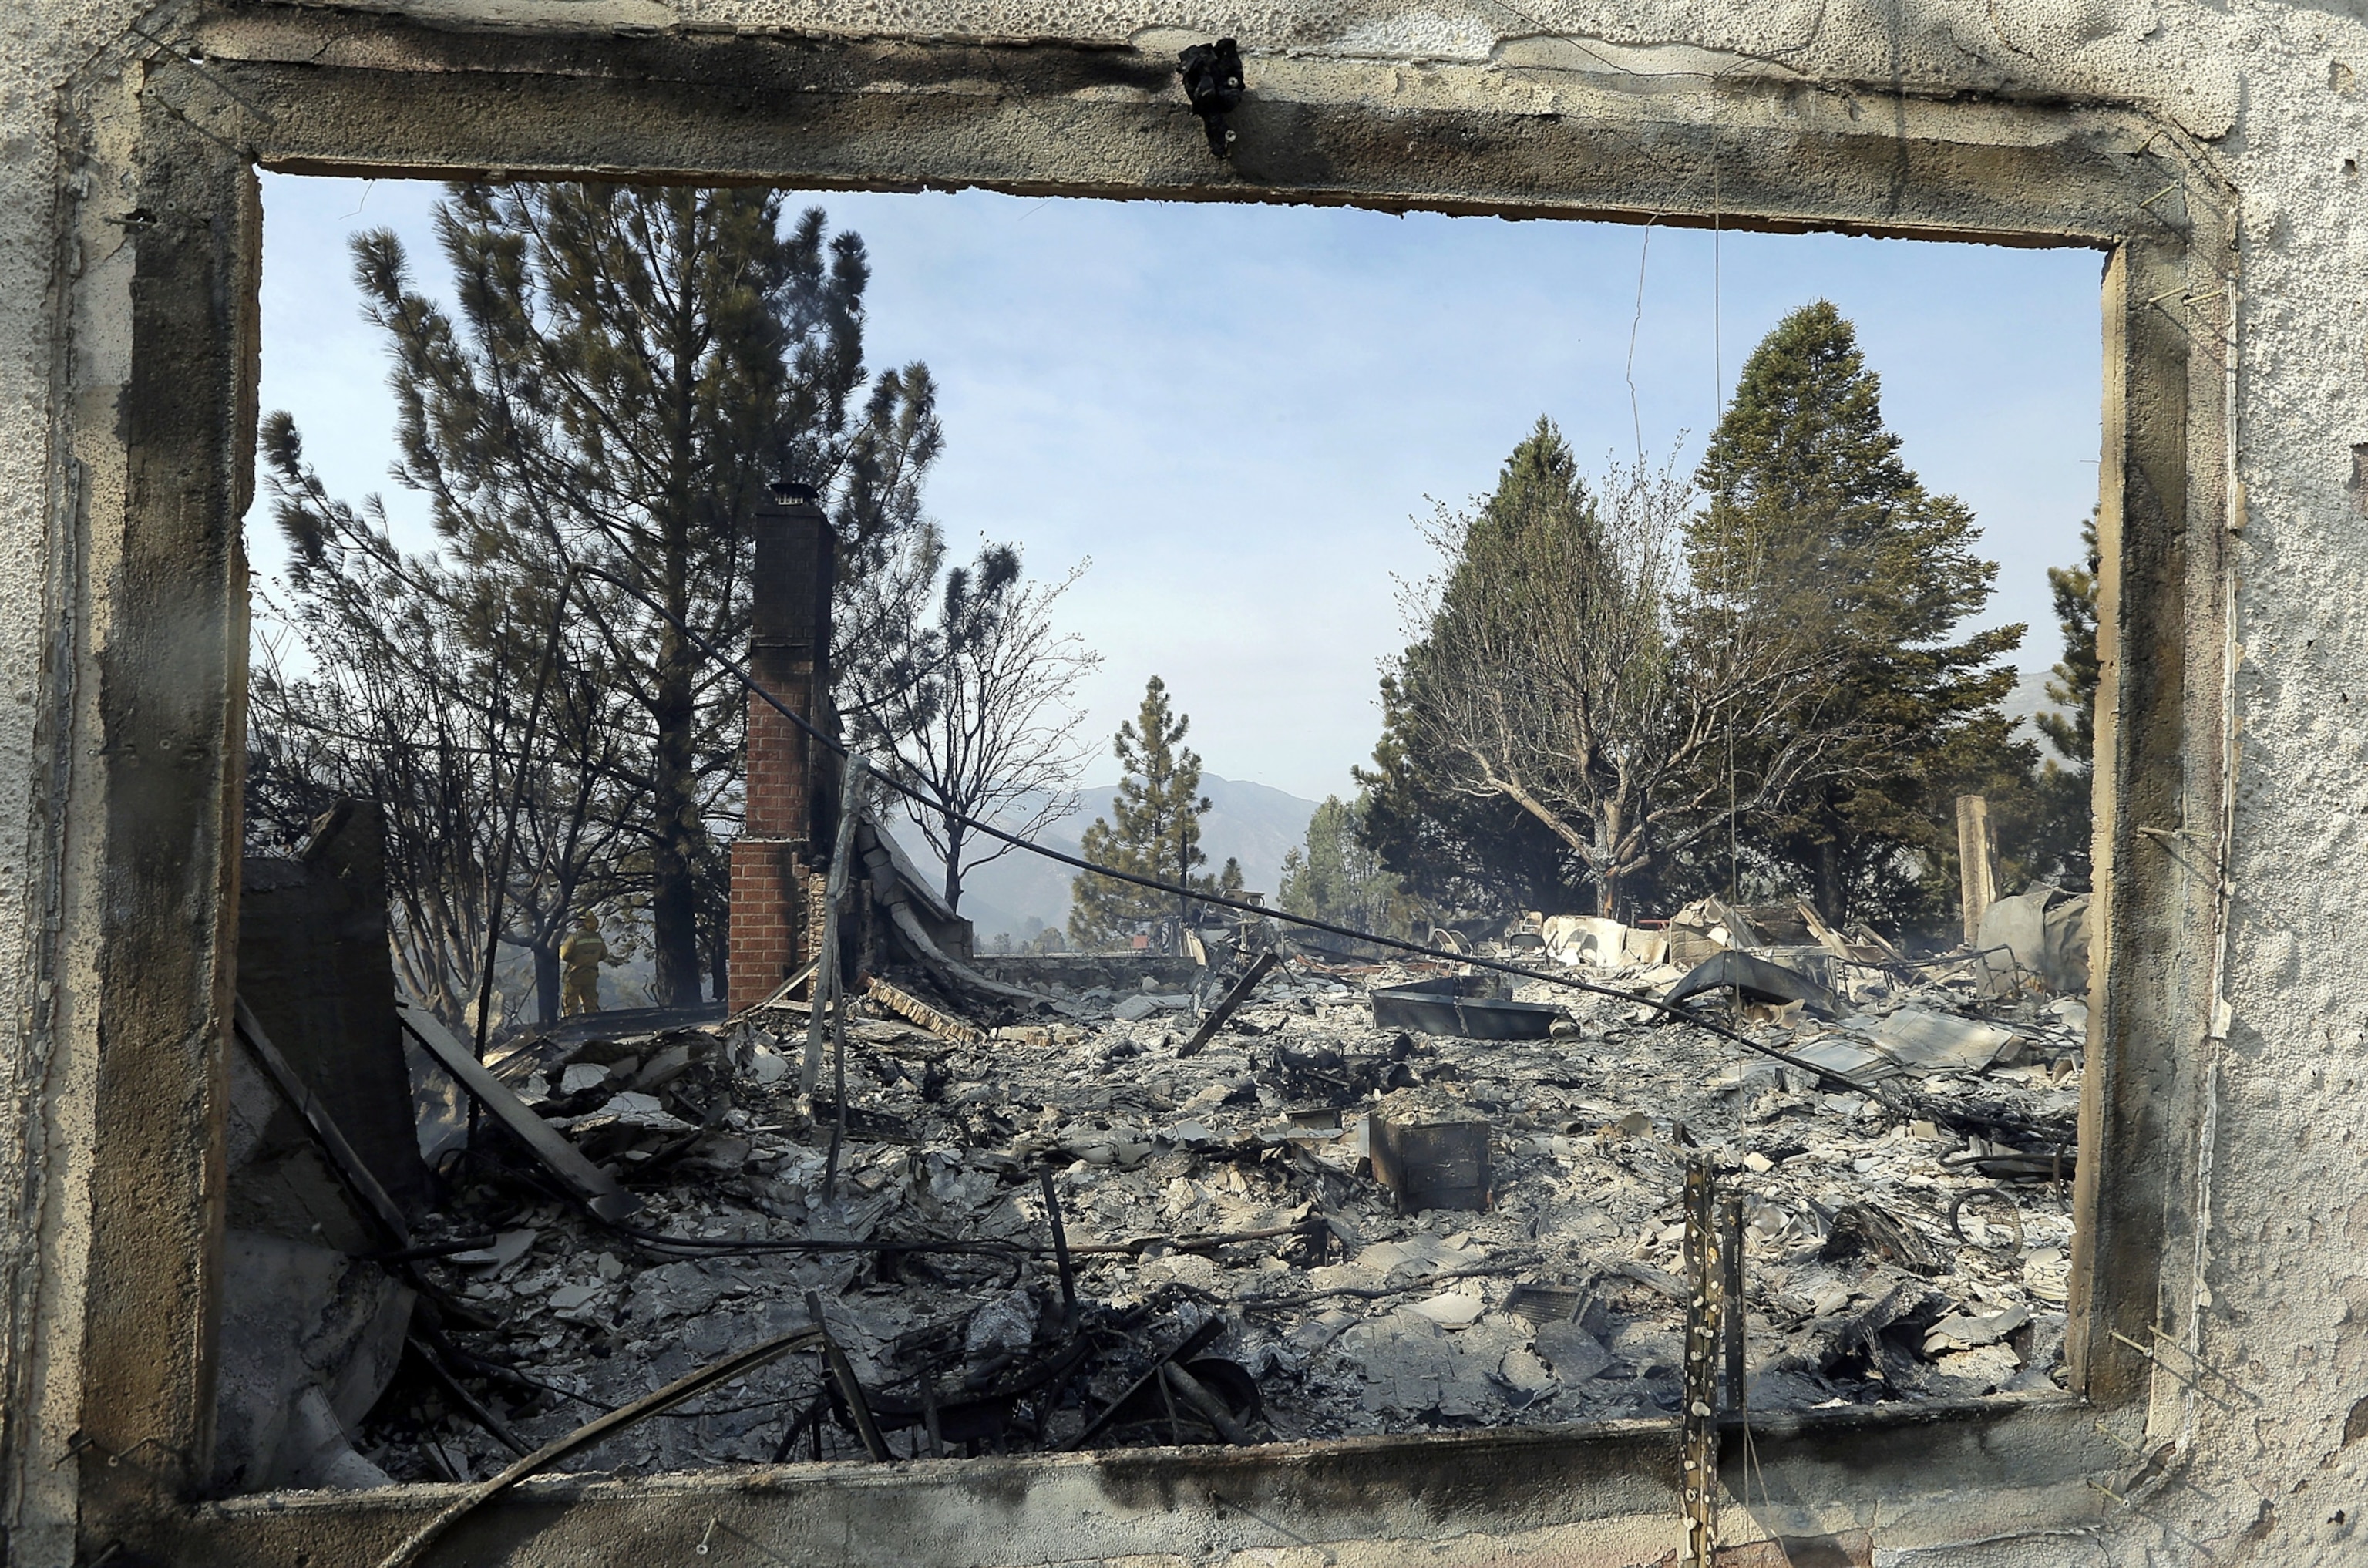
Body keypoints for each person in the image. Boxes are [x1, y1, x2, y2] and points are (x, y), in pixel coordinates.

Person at [557, 912, 612, 1016]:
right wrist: (591, 958)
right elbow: (604, 955)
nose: (574, 922)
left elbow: (564, 955)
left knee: (570, 1003)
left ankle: (571, 1027)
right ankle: (591, 1025)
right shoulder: (597, 937)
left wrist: (576, 959)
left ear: (582, 922)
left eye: (577, 920)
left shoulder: (574, 937)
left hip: (575, 975)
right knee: (590, 1004)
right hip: (591, 975)